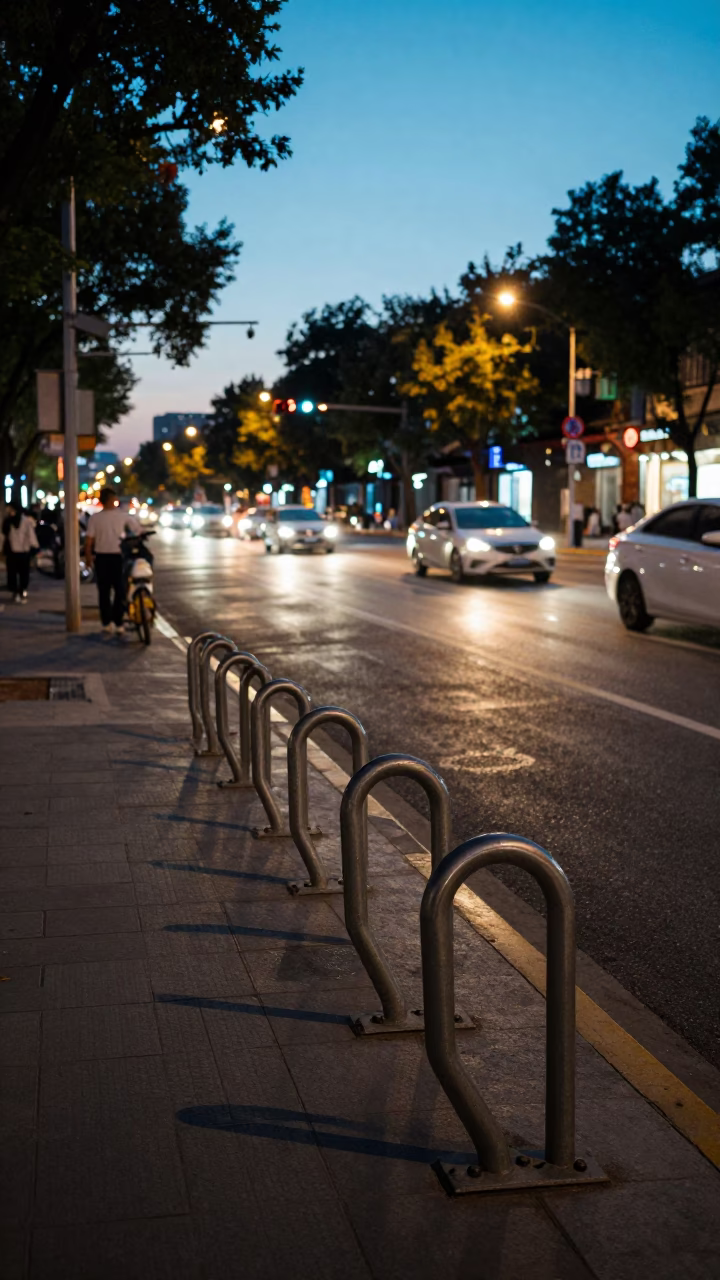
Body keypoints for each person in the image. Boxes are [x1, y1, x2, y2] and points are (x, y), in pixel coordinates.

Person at [84, 490, 141, 637]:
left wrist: (89, 557)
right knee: (119, 590)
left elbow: (89, 540)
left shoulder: (95, 518)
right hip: (117, 558)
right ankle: (117, 622)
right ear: (112, 500)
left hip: (102, 558)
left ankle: (107, 623)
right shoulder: (121, 516)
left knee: (104, 591)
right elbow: (137, 529)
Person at [2, 501, 39, 603]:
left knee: (23, 574)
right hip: (13, 551)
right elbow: (4, 533)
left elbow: (31, 535)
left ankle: (21, 590)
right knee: (13, 574)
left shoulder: (26, 521)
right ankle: (16, 591)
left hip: (23, 551)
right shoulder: (8, 521)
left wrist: (34, 547)